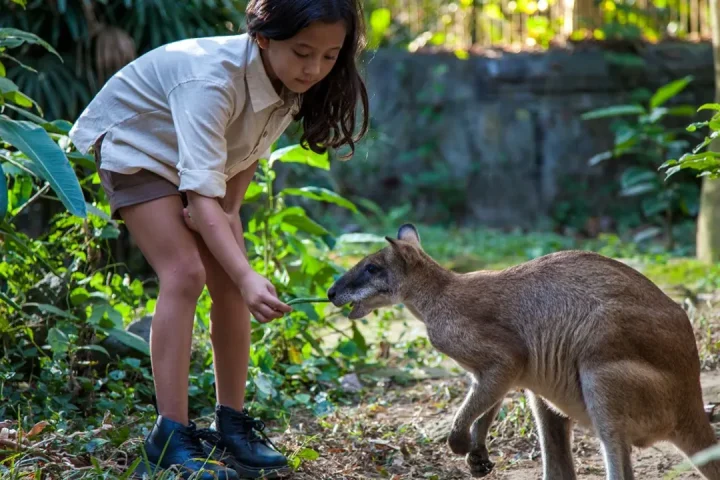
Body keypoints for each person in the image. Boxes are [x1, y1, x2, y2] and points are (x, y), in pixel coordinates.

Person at [68, 0, 369, 478]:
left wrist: (240, 269)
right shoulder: (212, 81)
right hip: (138, 145)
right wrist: (247, 271)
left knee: (229, 283)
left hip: (198, 169)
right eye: (303, 52)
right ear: (264, 37)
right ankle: (169, 435)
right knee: (185, 273)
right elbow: (200, 197)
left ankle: (232, 424)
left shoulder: (287, 82)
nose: (314, 68)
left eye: (330, 56)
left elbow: (231, 182)